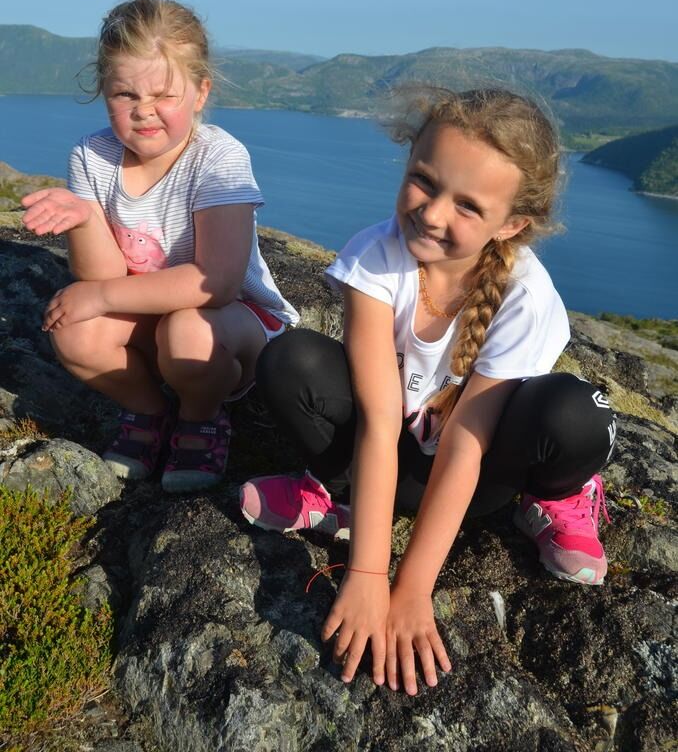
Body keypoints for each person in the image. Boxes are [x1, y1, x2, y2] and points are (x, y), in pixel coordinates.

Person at [239, 86, 616, 695]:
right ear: (409, 157)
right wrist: (365, 572)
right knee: (289, 358)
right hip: (391, 450)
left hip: (479, 478)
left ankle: (556, 498)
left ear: (512, 224)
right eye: (424, 180)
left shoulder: (524, 297)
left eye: (468, 206)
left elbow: (467, 446)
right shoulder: (376, 259)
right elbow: (380, 418)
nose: (433, 213)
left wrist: (411, 590)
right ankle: (339, 497)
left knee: (576, 415)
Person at [22, 0, 298, 492]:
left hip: (234, 324)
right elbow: (99, 276)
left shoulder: (217, 158)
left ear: (200, 93)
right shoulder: (92, 155)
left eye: (164, 96)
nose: (144, 112)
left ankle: (201, 418)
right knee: (73, 331)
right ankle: (149, 413)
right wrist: (84, 219)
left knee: (187, 329)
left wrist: (103, 297)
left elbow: (217, 283)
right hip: (155, 316)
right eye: (125, 95)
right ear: (104, 91)